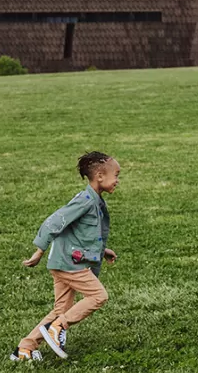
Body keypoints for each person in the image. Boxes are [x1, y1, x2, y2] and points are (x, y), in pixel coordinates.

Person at [12, 152, 120, 361]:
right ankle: (59, 326)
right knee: (98, 296)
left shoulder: (95, 201)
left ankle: (25, 348)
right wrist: (39, 249)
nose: (117, 180)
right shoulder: (85, 201)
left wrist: (102, 251)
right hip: (70, 264)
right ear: (99, 176)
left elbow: (82, 234)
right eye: (116, 175)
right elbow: (55, 221)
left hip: (63, 262)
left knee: (61, 309)